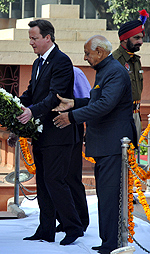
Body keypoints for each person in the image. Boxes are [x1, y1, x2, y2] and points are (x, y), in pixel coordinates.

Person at [53, 35, 136, 254]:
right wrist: (74, 103)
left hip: (112, 144)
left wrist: (72, 117)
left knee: (109, 197)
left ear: (99, 52)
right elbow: (97, 100)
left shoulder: (115, 72)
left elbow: (105, 105)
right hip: (104, 145)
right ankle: (108, 240)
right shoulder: (106, 70)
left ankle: (111, 244)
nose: (85, 57)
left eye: (88, 53)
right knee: (105, 196)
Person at [15, 19, 84, 246]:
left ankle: (73, 227)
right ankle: (46, 229)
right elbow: (31, 93)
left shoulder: (62, 61)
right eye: (30, 39)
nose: (31, 43)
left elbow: (55, 97)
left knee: (55, 180)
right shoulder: (38, 63)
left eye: (34, 38)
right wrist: (13, 104)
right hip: (42, 134)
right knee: (43, 183)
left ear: (48, 37)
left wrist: (31, 112)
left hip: (59, 132)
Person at [56, 66, 90, 233]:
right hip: (52, 133)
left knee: (71, 176)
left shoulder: (75, 72)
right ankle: (64, 219)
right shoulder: (42, 70)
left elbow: (88, 100)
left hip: (71, 127)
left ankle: (81, 220)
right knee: (56, 178)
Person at [112, 9, 148, 145]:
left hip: (136, 114)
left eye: (141, 38)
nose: (141, 42)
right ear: (125, 38)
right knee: (122, 156)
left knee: (134, 156)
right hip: (120, 116)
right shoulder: (115, 60)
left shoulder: (136, 60)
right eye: (137, 38)